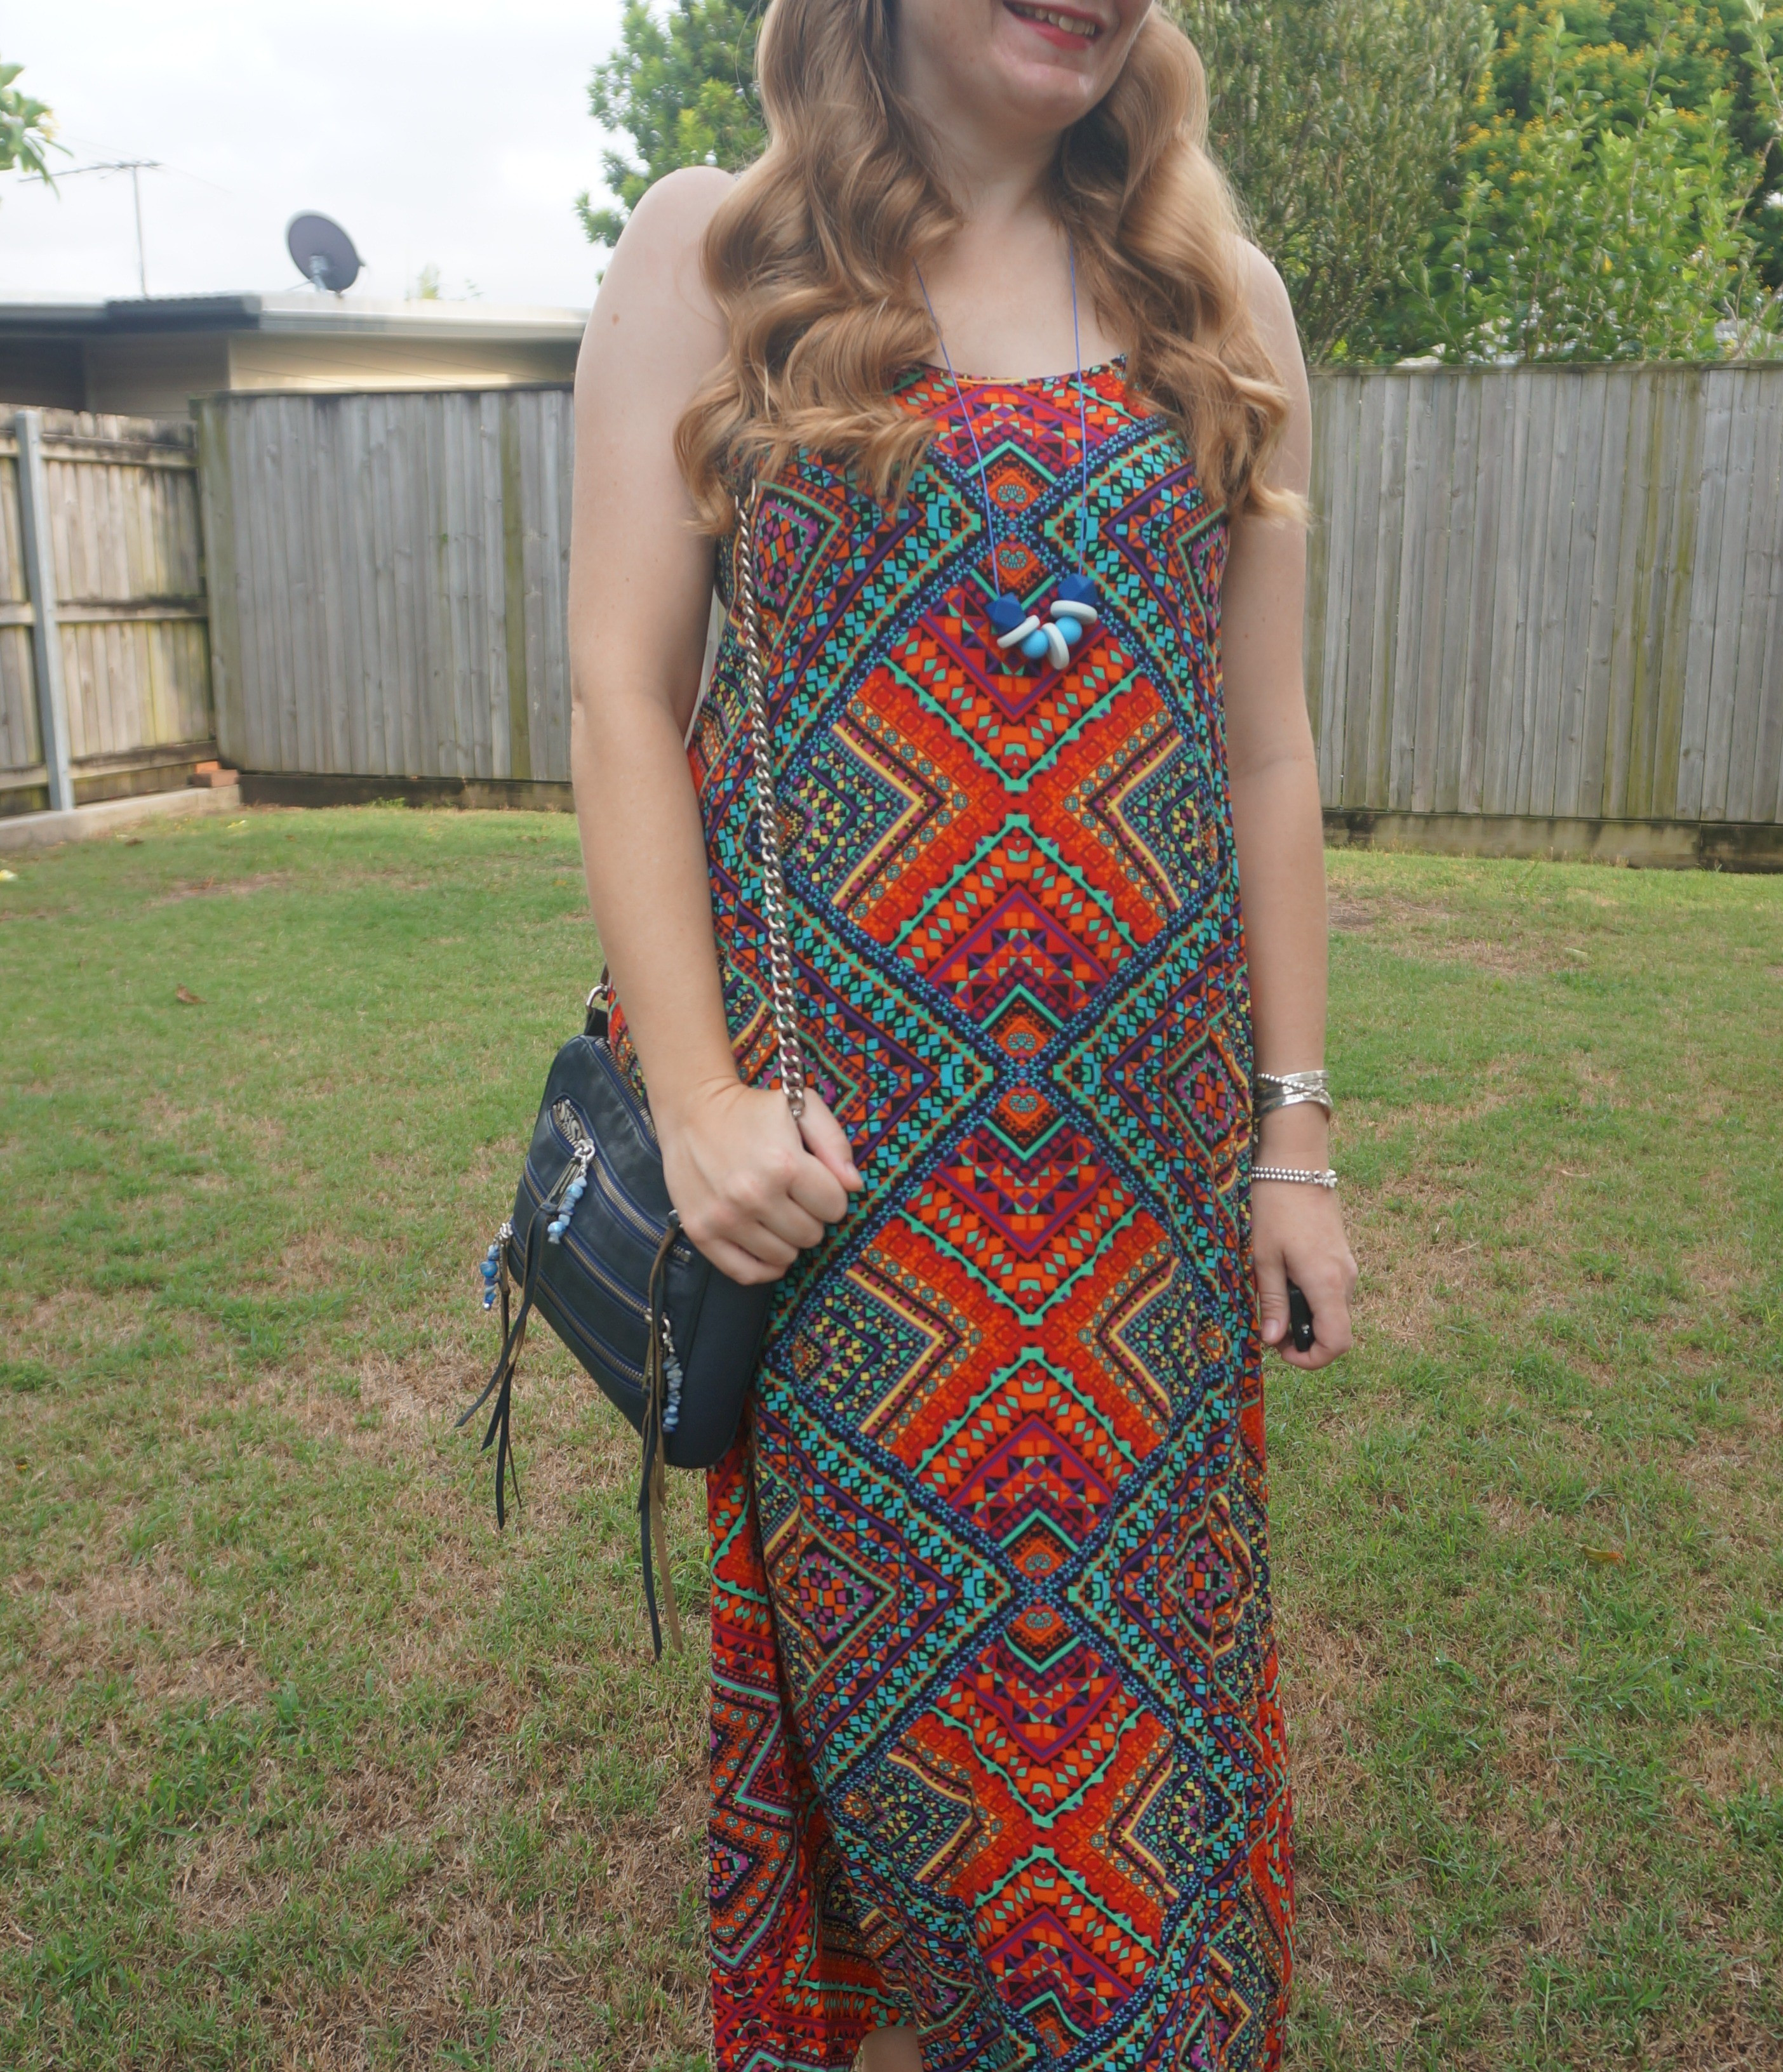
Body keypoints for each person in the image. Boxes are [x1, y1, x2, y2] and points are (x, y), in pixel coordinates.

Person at [568, 0, 1356, 2062]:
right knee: (908, 1783)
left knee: (1138, 1770)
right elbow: (623, 701)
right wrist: (694, 1104)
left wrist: (1295, 1137)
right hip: (853, 1213)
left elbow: (1266, 757)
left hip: (1139, 1219)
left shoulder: (1215, 293)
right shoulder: (711, 253)